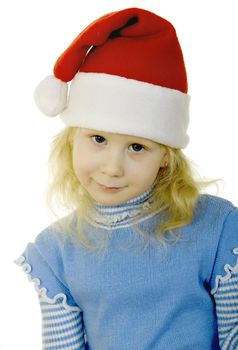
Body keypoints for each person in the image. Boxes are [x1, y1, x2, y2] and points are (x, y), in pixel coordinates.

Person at [15, 7, 238, 350]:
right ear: (72, 139)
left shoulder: (215, 228)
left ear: (165, 157)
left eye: (137, 146)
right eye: (98, 139)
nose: (112, 167)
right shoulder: (55, 252)